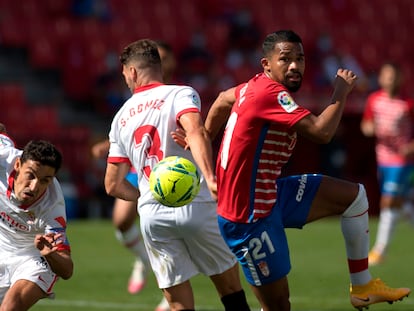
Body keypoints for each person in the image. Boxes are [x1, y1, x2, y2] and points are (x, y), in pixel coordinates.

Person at [202, 30, 410, 311]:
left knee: (354, 197)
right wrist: (340, 91)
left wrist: (203, 135)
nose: (294, 66)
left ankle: (362, 286)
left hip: (270, 196)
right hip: (247, 217)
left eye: (299, 59)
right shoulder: (270, 94)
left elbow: (223, 99)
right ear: (266, 65)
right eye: (285, 59)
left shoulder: (251, 87)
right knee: (278, 306)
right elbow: (322, 133)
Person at [104, 39, 251, 311]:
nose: (125, 79)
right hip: (194, 203)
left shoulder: (120, 117)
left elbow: (112, 184)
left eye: (125, 73)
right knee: (230, 288)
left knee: (178, 304)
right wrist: (209, 177)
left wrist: (145, 196)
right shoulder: (181, 94)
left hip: (152, 215)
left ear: (133, 72)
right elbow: (195, 131)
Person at [91, 41, 176, 311]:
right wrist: (109, 145)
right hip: (139, 166)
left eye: (163, 58)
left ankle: (170, 295)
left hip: (169, 168)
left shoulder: (178, 93)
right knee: (121, 220)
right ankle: (144, 259)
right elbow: (132, 128)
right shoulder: (138, 93)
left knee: (169, 233)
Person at [0, 123, 74, 311]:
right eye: (30, 175)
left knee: (10, 307)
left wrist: (50, 253)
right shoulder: (3, 157)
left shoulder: (52, 206)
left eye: (44, 180)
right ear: (17, 165)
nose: (34, 187)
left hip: (33, 257)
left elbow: (67, 270)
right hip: (3, 245)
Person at [360, 62, 414, 266]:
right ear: (381, 78)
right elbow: (366, 124)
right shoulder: (374, 100)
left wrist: (411, 147)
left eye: (394, 76)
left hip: (402, 160)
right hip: (382, 158)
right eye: (387, 76)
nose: (390, 80)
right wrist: (369, 129)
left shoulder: (407, 104)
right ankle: (408, 210)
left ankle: (380, 250)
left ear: (400, 79)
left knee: (388, 202)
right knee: (400, 204)